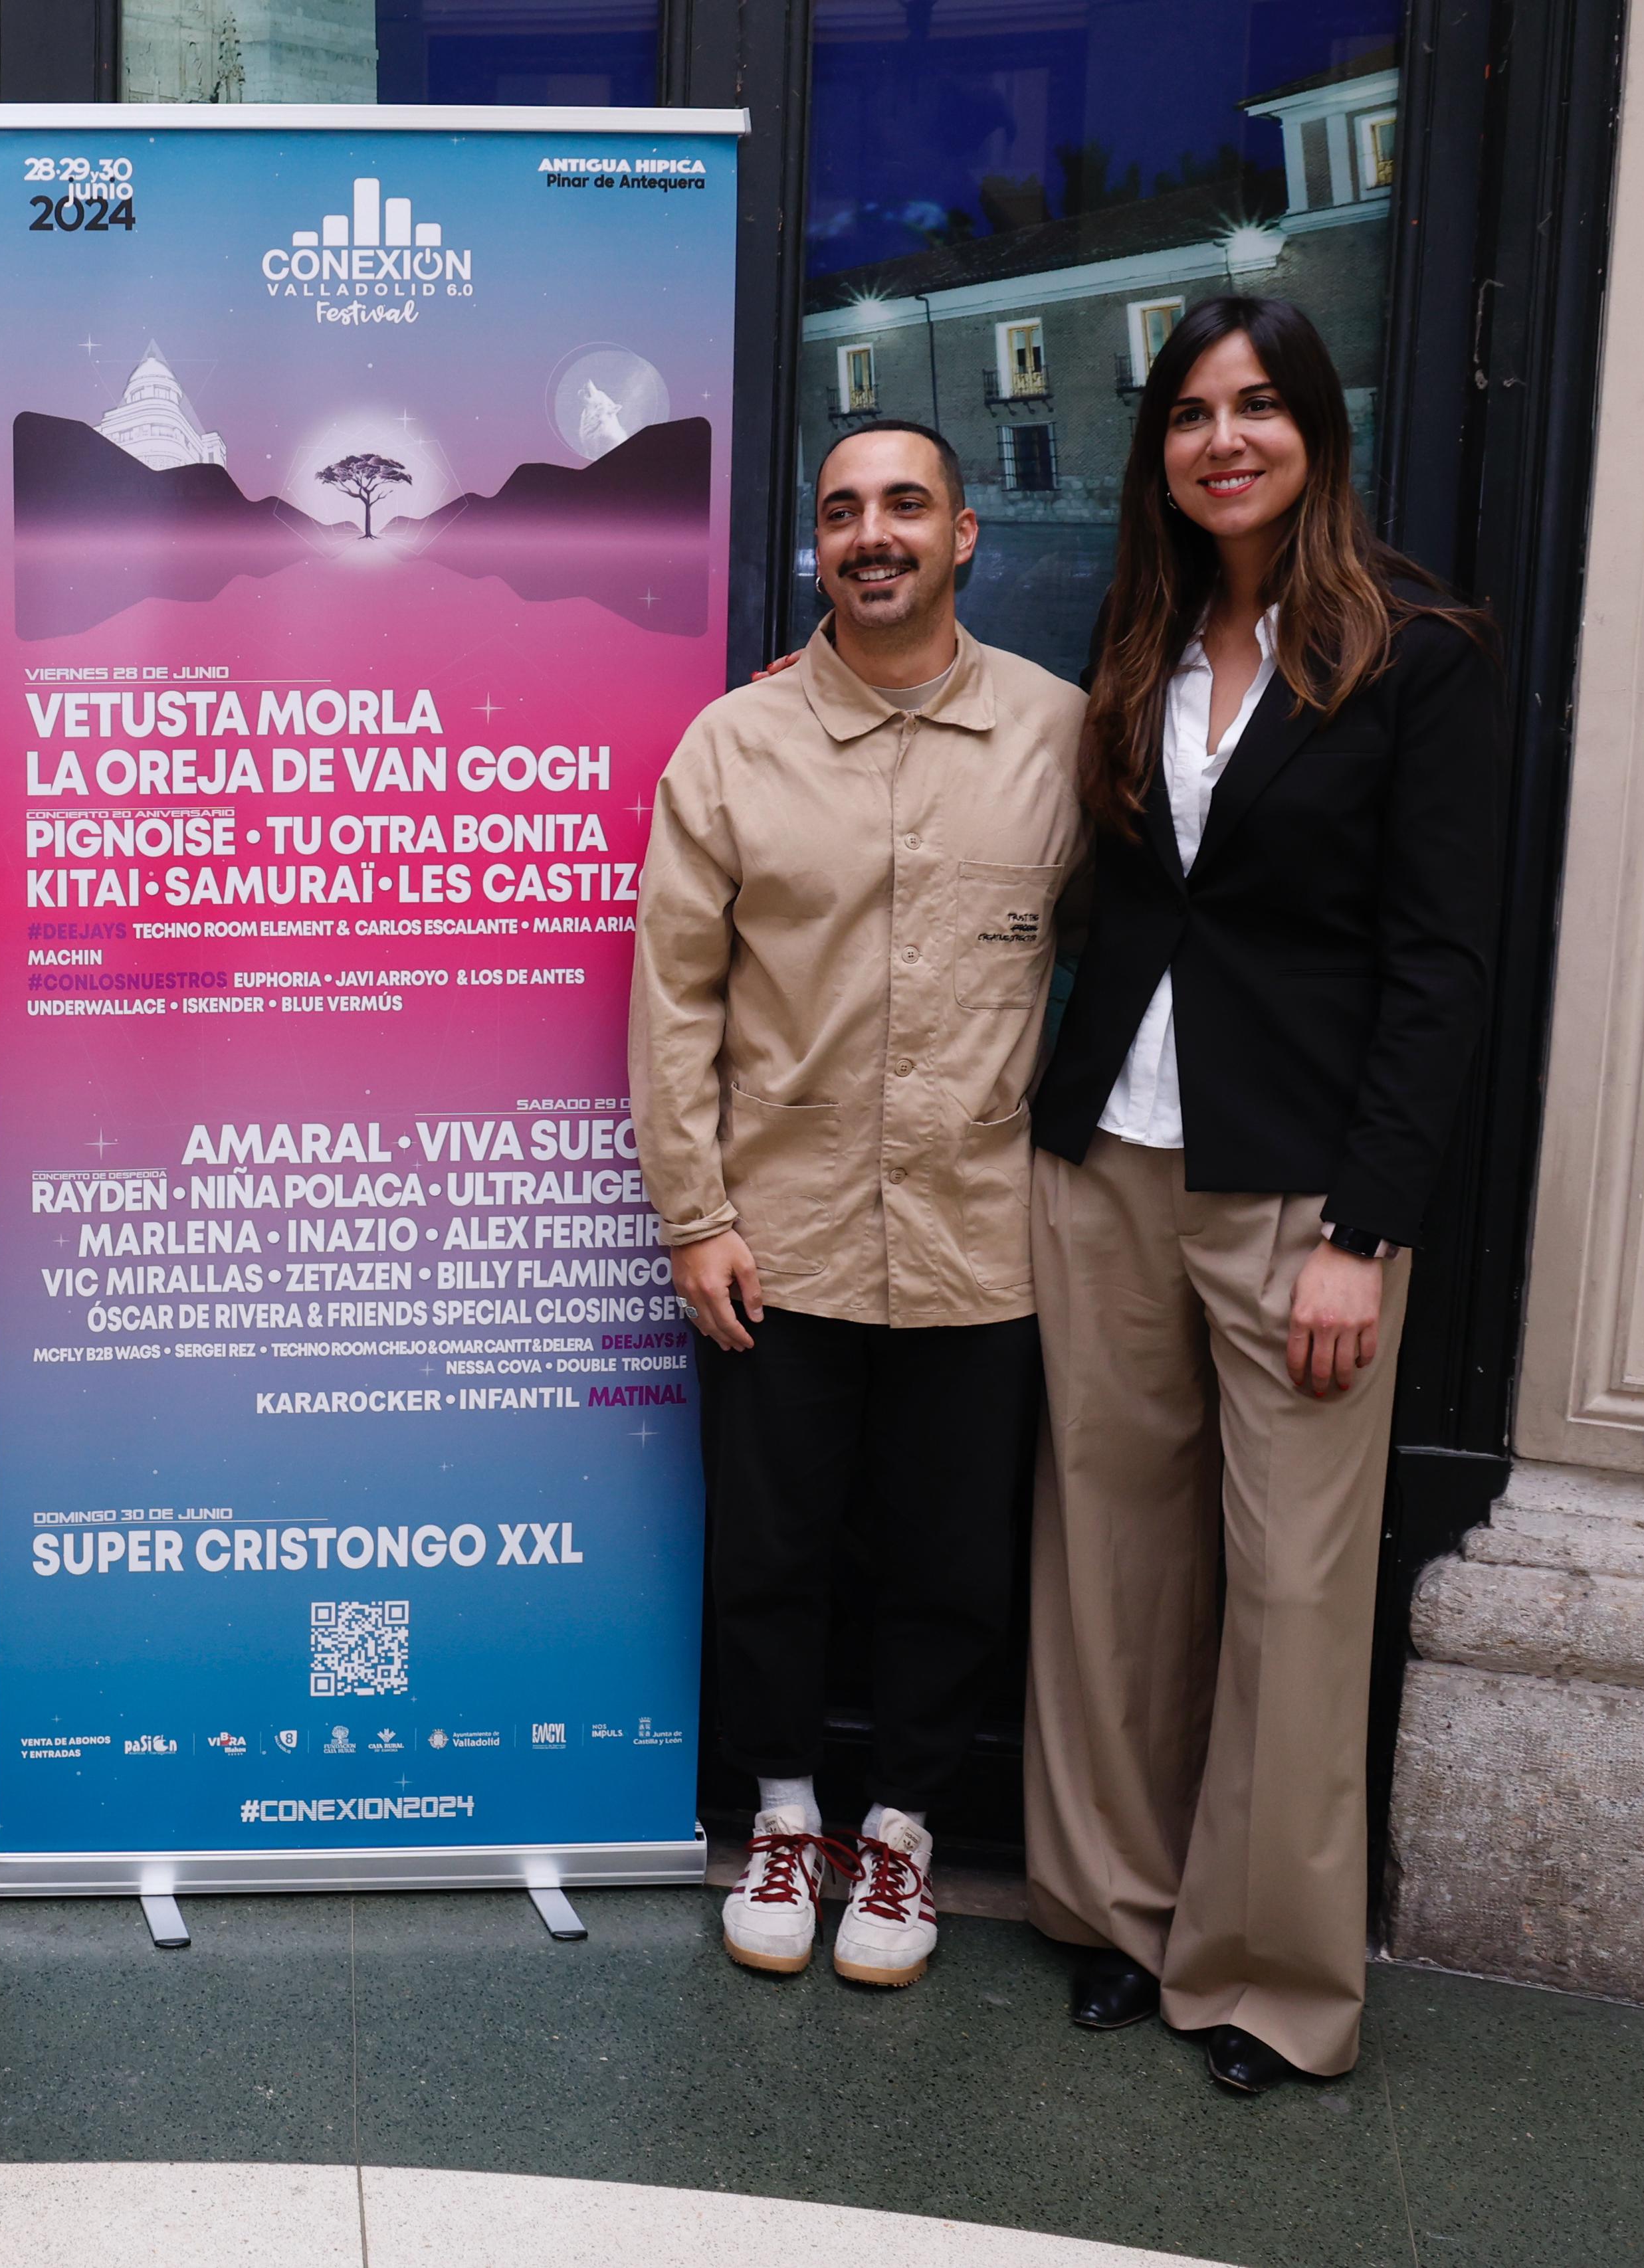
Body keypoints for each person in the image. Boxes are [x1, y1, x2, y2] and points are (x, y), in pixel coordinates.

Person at [1021, 295, 1498, 2095]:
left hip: (1300, 1192)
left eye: (1258, 406)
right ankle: (1116, 1913)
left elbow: (1440, 969)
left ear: (1317, 430)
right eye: (1191, 413)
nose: (1224, 439)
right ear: (1159, 451)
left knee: (1292, 1586)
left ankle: (1272, 1978)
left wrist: (1367, 1231)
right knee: (1110, 1559)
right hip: (1108, 1160)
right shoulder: (1139, 639)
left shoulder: (1419, 655)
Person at [631, 420, 1087, 1991]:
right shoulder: (733, 745)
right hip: (781, 1233)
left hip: (985, 1235)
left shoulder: (1059, 737)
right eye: (842, 512)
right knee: (772, 1551)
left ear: (964, 533)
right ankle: (782, 1816)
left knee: (949, 1564)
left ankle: (899, 1833)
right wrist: (694, 1215)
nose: (871, 533)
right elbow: (674, 1001)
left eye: (904, 505)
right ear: (816, 548)